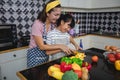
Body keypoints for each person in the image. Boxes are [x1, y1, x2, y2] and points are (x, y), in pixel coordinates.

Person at [27, 0, 73, 68]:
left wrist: (66, 47)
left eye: (59, 15)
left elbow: (65, 36)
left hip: (46, 58)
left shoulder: (53, 25)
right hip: (35, 58)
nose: (57, 17)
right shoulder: (37, 24)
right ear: (48, 13)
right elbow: (41, 46)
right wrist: (60, 46)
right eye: (55, 15)